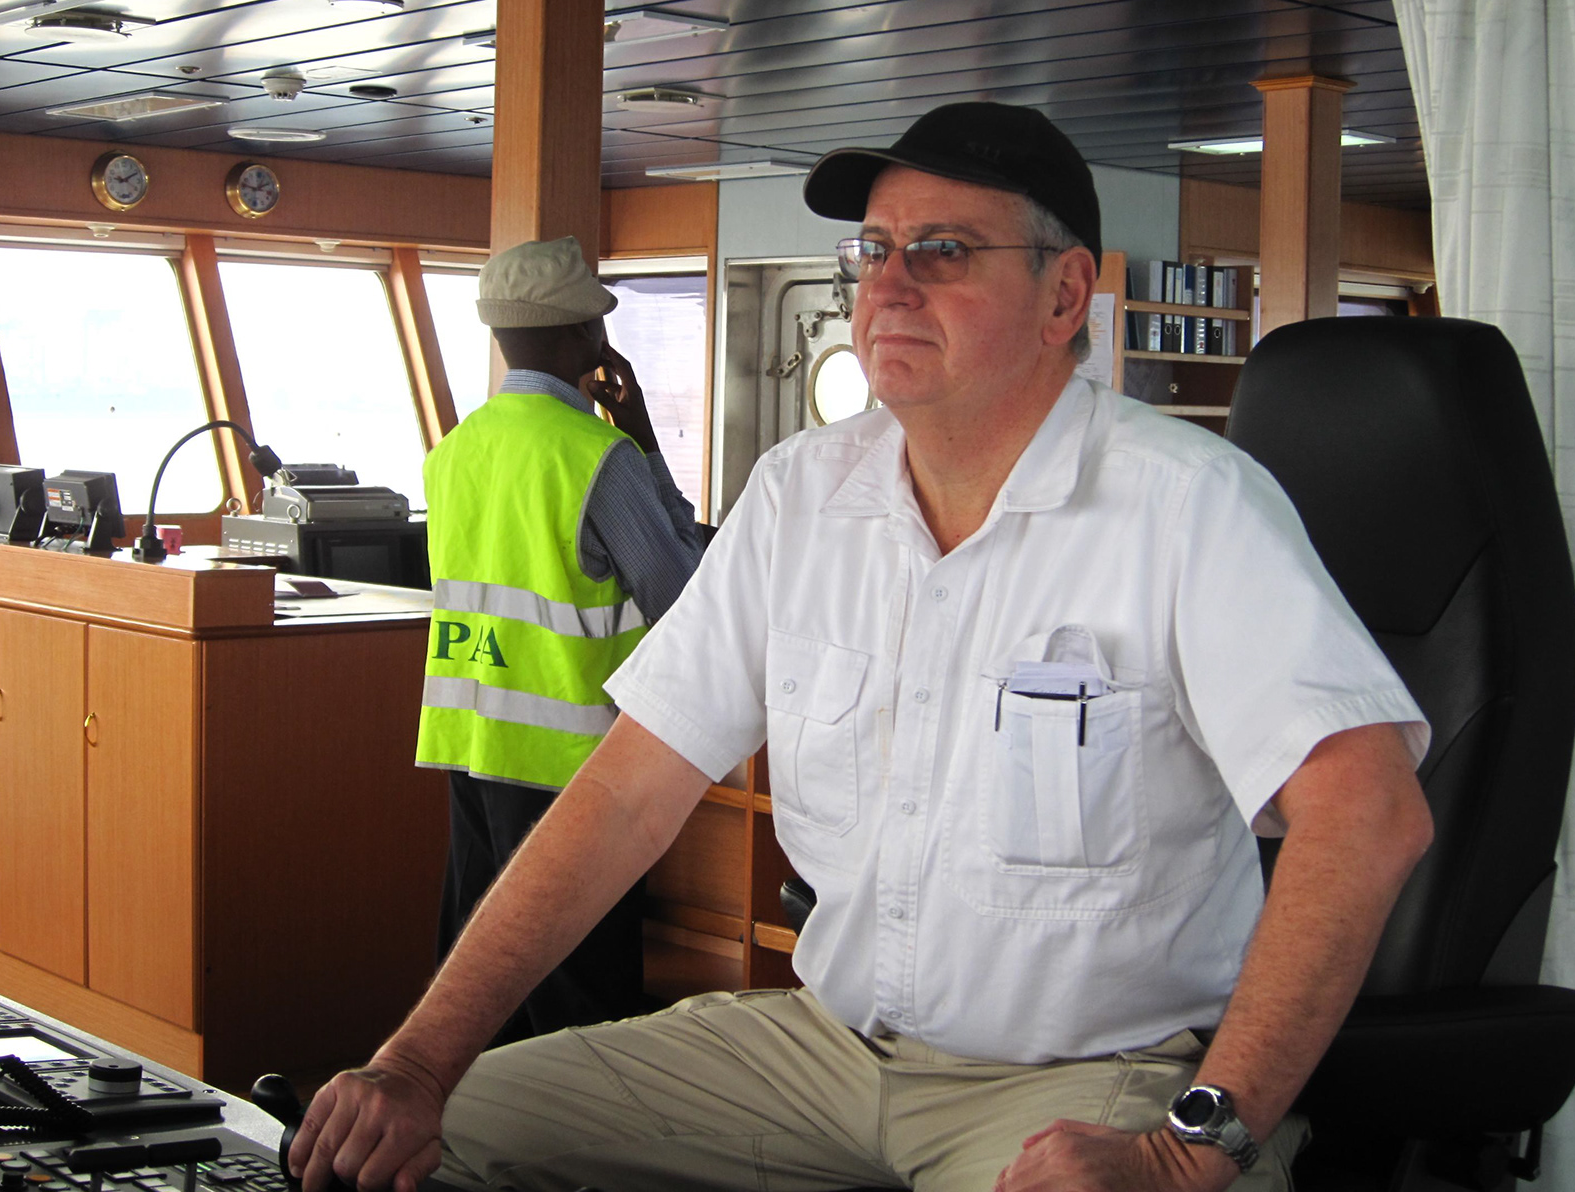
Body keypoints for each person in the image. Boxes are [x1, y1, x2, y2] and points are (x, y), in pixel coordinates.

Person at [300, 103, 1434, 1192]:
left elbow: (1369, 814)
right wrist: (417, 1063)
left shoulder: (1191, 504)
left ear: (1064, 295)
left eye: (943, 251)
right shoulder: (799, 495)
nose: (889, 285)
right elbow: (627, 793)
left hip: (1088, 1075)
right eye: (874, 251)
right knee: (435, 1136)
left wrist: (1192, 1152)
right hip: (825, 1051)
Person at [415, 235, 703, 1043]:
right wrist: (644, 439)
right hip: (572, 761)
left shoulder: (454, 451)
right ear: (585, 334)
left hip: (474, 742)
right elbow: (682, 596)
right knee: (580, 997)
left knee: (482, 974)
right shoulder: (598, 455)